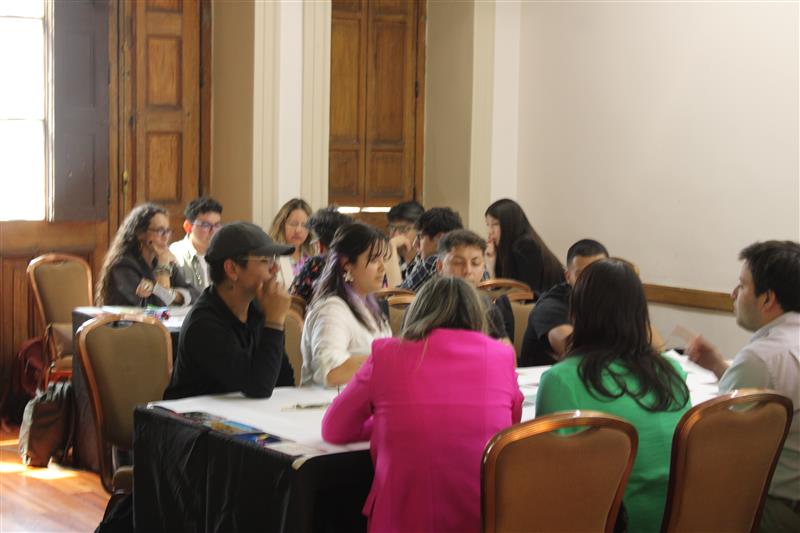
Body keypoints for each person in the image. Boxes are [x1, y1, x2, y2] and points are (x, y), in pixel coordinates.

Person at [322, 276, 523, 533]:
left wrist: (387, 423)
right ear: (477, 315)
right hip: (480, 520)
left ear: (417, 312)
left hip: (402, 520)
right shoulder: (502, 355)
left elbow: (335, 428)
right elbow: (510, 425)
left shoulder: (387, 354)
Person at [536, 258, 690, 533]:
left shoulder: (561, 381)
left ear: (577, 312)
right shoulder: (672, 373)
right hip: (677, 521)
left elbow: (553, 483)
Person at [686, 240, 800, 532]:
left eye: (742, 285)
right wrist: (719, 367)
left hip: (777, 508)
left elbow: (713, 442)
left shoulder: (761, 358)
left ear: (767, 299)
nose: (733, 294)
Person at [164, 222, 295, 399]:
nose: (275, 269)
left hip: (243, 411)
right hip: (192, 414)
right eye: (265, 261)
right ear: (232, 269)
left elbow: (284, 380)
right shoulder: (203, 323)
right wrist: (274, 322)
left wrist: (273, 320)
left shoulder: (258, 310)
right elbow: (258, 387)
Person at [301, 222, 393, 387]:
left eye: (383, 260)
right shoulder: (331, 310)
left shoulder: (370, 307)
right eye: (374, 260)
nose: (382, 268)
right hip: (327, 401)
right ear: (347, 265)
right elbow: (331, 372)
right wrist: (388, 358)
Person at [519, 239, 609, 366]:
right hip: (549, 376)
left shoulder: (611, 299)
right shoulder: (550, 306)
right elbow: (576, 353)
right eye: (582, 275)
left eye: (598, 273)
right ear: (568, 277)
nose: (592, 281)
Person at [96, 203, 197, 307]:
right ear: (140, 233)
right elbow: (158, 306)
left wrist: (173, 295)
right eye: (160, 231)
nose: (165, 237)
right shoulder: (123, 265)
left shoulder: (162, 259)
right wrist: (163, 266)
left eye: (167, 231)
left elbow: (195, 295)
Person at [436, 229, 513, 342]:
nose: (468, 270)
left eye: (475, 263)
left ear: (483, 267)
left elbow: (506, 348)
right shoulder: (427, 305)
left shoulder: (489, 307)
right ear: (440, 267)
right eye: (458, 263)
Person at [484, 198, 564, 293]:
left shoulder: (525, 245)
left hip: (550, 299)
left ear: (509, 223)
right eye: (488, 225)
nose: (490, 231)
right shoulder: (502, 249)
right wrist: (490, 265)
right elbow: (499, 290)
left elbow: (527, 292)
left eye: (495, 224)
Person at [289, 206, 353, 303]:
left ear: (319, 244)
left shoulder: (316, 263)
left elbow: (293, 298)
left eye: (313, 239)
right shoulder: (352, 263)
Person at [397, 207, 463, 291]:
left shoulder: (434, 261)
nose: (415, 244)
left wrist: (391, 249)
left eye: (420, 237)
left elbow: (397, 294)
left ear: (440, 239)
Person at [169, 196, 223, 292]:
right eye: (206, 225)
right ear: (188, 226)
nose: (213, 231)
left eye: (217, 225)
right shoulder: (175, 255)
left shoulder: (223, 255)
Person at [268, 198, 313, 286]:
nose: (298, 230)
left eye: (304, 225)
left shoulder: (312, 258)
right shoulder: (270, 257)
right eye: (293, 224)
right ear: (281, 225)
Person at [385, 200, 424, 285]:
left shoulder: (426, 263)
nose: (396, 235)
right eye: (392, 228)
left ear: (419, 231)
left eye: (404, 229)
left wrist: (392, 246)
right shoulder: (383, 257)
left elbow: (396, 292)